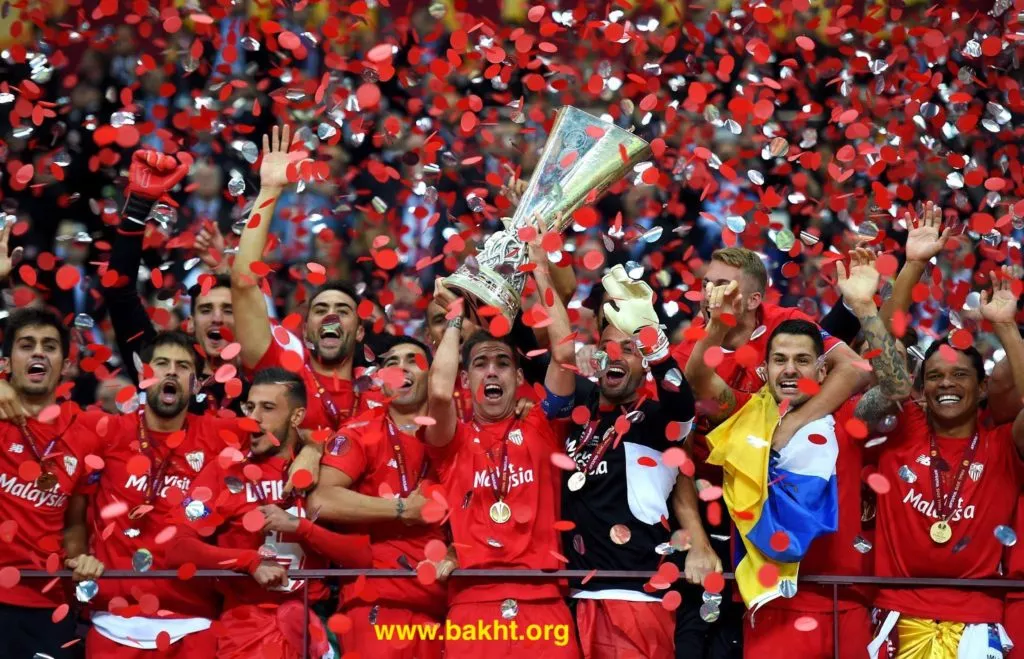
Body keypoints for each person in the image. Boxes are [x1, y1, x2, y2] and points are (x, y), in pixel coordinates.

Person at [672, 246, 868, 659]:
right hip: (715, 510)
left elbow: (854, 368)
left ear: (754, 299)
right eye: (707, 283)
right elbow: (686, 422)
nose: (710, 292)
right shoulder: (692, 348)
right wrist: (697, 539)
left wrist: (793, 423)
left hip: (781, 503)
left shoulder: (787, 325)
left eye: (723, 285)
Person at [424, 228, 582, 658]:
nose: (491, 372)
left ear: (518, 376)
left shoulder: (543, 425)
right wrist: (454, 316)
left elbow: (564, 356)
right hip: (473, 604)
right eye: (480, 364)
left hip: (544, 603)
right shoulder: (452, 439)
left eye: (502, 363)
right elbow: (438, 392)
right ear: (465, 378)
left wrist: (541, 272)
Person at [855, 261, 1024, 659]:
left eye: (960, 375)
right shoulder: (902, 428)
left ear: (983, 388)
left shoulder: (1004, 444)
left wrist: (1005, 327)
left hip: (978, 625)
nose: (946, 383)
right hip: (897, 618)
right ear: (921, 387)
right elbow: (888, 373)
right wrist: (909, 268)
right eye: (934, 376)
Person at [166, 367, 373, 659]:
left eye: (268, 408)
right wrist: (249, 562)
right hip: (245, 631)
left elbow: (362, 557)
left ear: (296, 416)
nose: (254, 418)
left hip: (314, 631)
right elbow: (177, 547)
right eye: (250, 407)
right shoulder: (224, 472)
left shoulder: (325, 473)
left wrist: (301, 528)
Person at [560, 264, 696, 659]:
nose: (615, 355)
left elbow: (682, 408)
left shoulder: (654, 421)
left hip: (636, 599)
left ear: (645, 364)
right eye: (607, 347)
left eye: (630, 349)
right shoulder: (581, 414)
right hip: (574, 597)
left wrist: (652, 342)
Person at [232, 125, 382, 430]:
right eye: (320, 309)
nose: (330, 315)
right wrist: (270, 191)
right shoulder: (283, 372)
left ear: (360, 331)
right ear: (305, 327)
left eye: (343, 310)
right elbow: (244, 282)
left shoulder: (382, 395)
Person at [311, 335, 452, 659]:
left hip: (442, 607)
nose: (401, 368)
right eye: (391, 363)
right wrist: (400, 509)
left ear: (433, 376)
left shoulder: (454, 435)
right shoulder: (361, 431)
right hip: (377, 603)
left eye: (413, 361)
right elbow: (320, 500)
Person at [100, 148, 243, 414]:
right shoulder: (159, 369)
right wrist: (138, 207)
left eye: (228, 309)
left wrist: (224, 268)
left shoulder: (258, 381)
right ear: (190, 323)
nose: (217, 318)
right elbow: (119, 293)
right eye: (205, 309)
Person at [0, 306, 105, 659]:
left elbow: (73, 522)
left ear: (65, 364)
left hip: (47, 606)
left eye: (49, 346)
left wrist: (81, 563)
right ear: (7, 361)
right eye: (26, 345)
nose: (39, 353)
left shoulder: (86, 434)